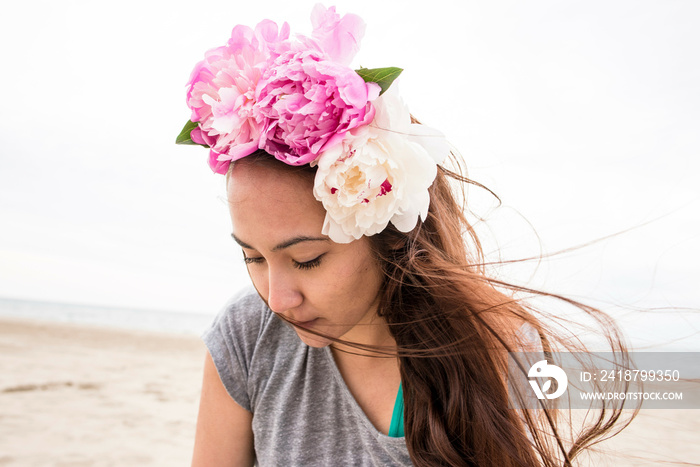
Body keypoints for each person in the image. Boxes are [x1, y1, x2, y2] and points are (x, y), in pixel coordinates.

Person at [178, 5, 632, 466]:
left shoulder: (505, 351)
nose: (276, 299)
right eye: (253, 257)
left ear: (387, 233)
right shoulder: (247, 335)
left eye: (308, 259)